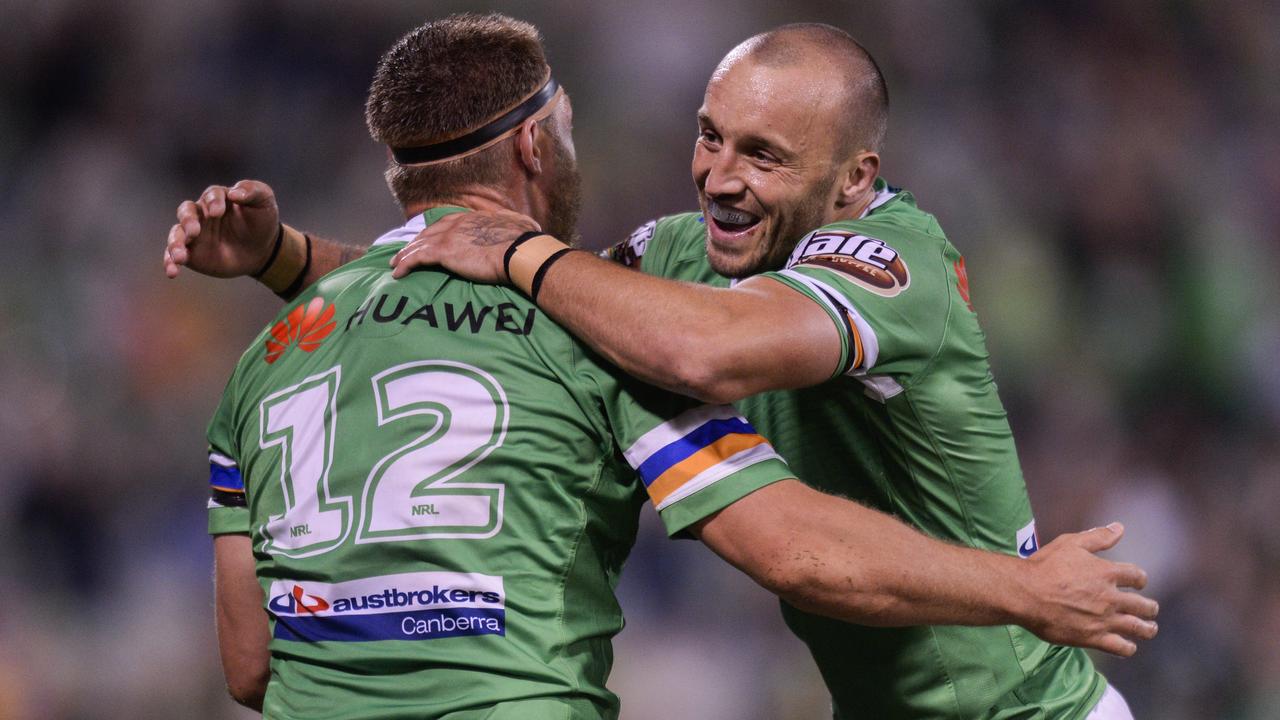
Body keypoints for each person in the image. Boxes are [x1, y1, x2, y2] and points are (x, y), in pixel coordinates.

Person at [168, 17, 1158, 720]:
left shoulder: (897, 259)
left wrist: (1025, 592)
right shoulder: (683, 256)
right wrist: (291, 260)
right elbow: (493, 305)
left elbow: (702, 347)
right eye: (708, 136)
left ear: (852, 179)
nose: (719, 177)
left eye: (763, 156)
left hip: (1025, 712)